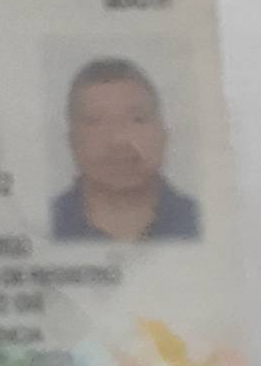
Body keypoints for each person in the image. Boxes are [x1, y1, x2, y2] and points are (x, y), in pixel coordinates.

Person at [51, 57, 199, 241]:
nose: (118, 140)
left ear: (164, 135)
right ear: (72, 142)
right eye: (95, 122)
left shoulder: (203, 222)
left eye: (137, 120)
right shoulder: (43, 226)